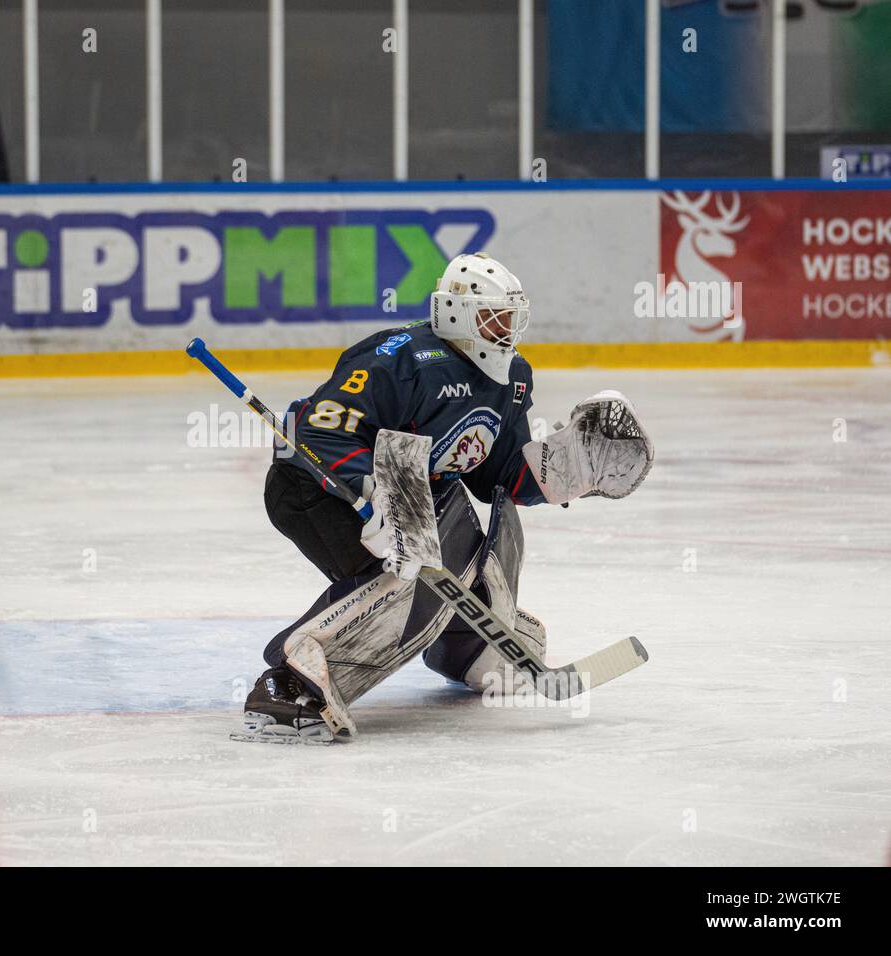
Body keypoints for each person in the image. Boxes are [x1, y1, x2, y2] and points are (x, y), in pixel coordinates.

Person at [238, 251, 654, 743]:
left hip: (413, 489)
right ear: (454, 313)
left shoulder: (512, 377)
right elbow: (317, 433)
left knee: (472, 544)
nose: (506, 329)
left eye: (510, 317)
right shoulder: (397, 359)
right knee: (404, 569)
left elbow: (497, 474)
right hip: (314, 490)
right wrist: (370, 488)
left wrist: (568, 470)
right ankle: (289, 682)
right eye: (493, 317)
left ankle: (469, 648)